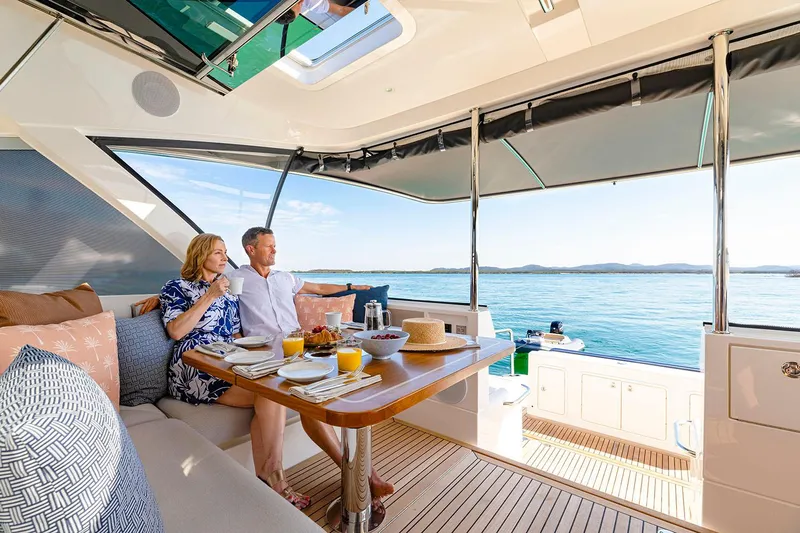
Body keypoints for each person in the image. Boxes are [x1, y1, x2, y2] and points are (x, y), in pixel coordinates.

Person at [236, 226, 394, 507]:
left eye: (275, 245)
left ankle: (364, 475)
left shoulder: (285, 278)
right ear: (251, 249)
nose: (275, 250)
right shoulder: (236, 279)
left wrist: (351, 288)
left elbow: (319, 289)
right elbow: (205, 289)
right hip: (266, 356)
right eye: (269, 246)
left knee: (325, 400)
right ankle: (365, 477)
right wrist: (158, 300)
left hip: (300, 350)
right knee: (313, 404)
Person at [156, 233, 314, 509]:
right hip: (194, 364)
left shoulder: (228, 293)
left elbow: (235, 334)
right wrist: (208, 296)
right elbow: (176, 331)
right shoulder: (177, 287)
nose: (224, 258)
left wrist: (255, 359)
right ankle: (278, 480)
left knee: (271, 388)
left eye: (225, 252)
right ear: (200, 254)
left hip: (227, 360)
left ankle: (268, 476)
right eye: (218, 252)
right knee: (269, 392)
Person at [275, 0, 354, 25]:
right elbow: (341, 10)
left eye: (295, 2)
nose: (301, 2)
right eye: (300, 5)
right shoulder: (315, 5)